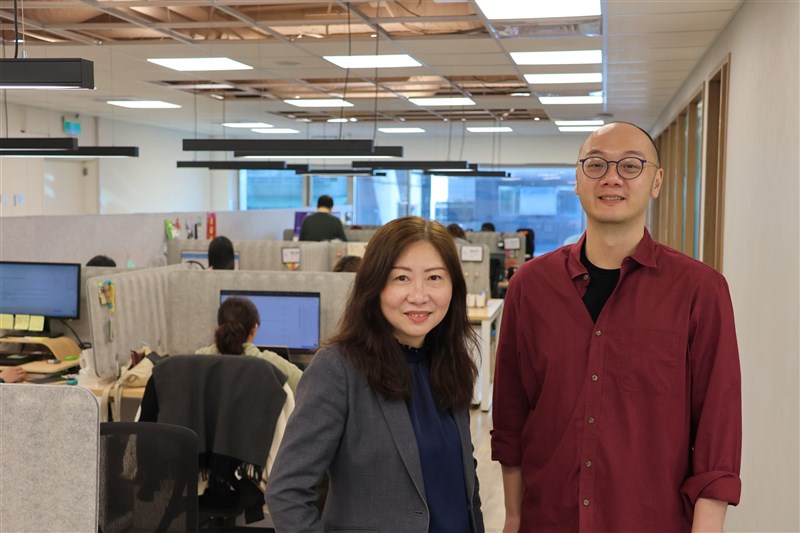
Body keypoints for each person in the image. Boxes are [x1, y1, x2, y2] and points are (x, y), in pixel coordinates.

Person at [491, 121, 742, 532]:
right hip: (548, 520)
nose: (611, 178)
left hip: (650, 520)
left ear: (656, 181)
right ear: (577, 179)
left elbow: (719, 427)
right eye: (595, 165)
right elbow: (511, 417)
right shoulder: (530, 287)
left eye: (630, 165)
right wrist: (514, 517)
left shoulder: (700, 290)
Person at [266, 216, 484, 532]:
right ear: (374, 285)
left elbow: (465, 478)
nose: (420, 295)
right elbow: (286, 492)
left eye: (435, 277)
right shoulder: (338, 368)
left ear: (454, 287)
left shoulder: (451, 360)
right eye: (401, 278)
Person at [195, 296, 302, 393]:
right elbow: (308, 387)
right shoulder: (271, 364)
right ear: (254, 329)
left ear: (219, 326)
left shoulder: (197, 360)